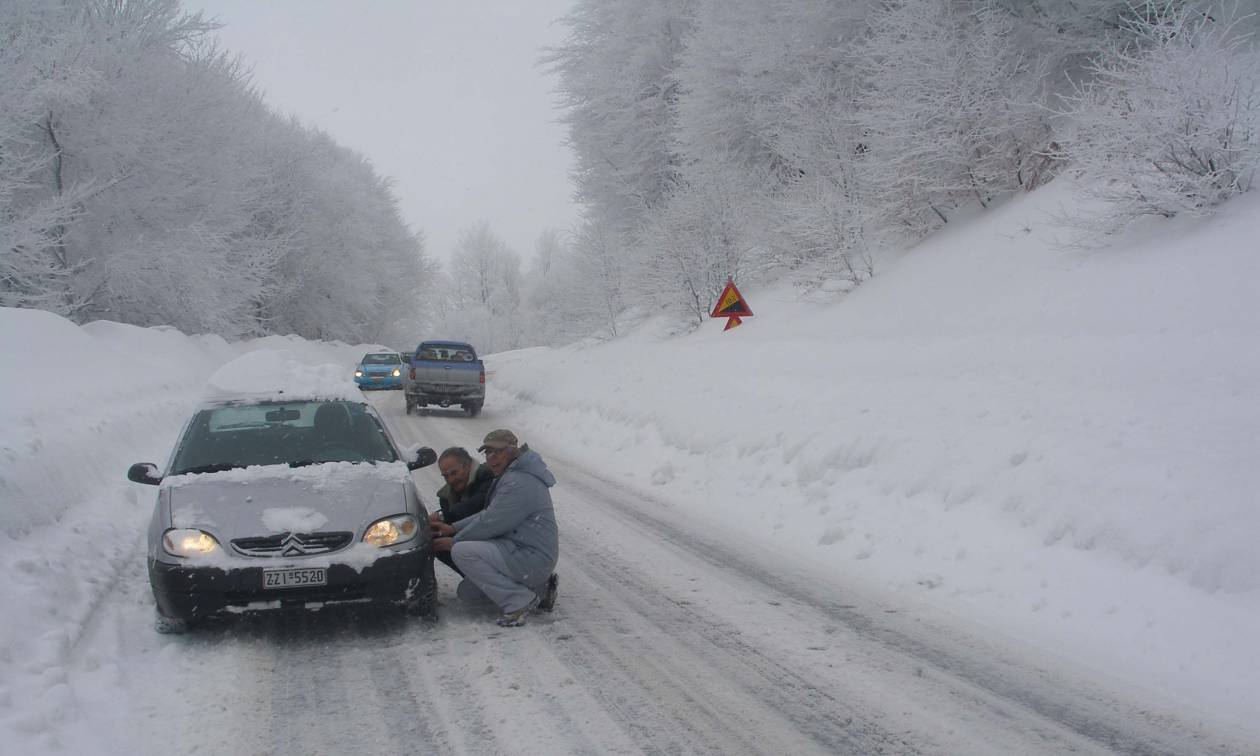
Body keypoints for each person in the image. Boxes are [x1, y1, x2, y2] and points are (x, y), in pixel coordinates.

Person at [431, 429, 560, 627]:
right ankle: (540, 590)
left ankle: (518, 600)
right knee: (467, 593)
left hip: (531, 556)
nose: (491, 458)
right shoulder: (511, 475)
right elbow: (490, 513)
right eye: (487, 453)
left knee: (462, 552)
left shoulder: (519, 482)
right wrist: (453, 528)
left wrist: (455, 541)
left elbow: (491, 522)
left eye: (497, 452)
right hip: (521, 551)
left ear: (512, 451)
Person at [429, 447, 496, 576]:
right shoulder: (446, 495)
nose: (451, 480)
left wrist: (442, 517)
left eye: (454, 473)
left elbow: (475, 506)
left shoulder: (487, 476)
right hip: (475, 536)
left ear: (468, 465)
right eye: (446, 476)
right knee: (436, 541)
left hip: (497, 537)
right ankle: (476, 580)